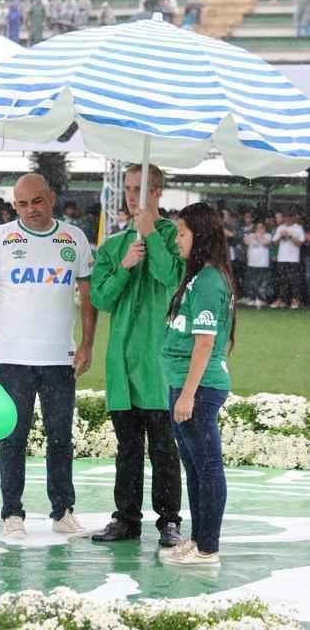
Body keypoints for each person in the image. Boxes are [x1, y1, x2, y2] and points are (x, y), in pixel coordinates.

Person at [0, 174, 97, 539]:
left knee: (60, 437)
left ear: (52, 198)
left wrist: (87, 343)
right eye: (22, 204)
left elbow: (88, 298)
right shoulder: (0, 237)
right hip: (13, 358)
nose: (30, 210)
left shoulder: (74, 238)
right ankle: (12, 514)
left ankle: (63, 512)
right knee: (12, 437)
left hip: (60, 357)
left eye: (37, 202)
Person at [90, 164, 183, 547]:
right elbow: (100, 298)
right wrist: (126, 266)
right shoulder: (114, 246)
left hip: (158, 363)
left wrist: (152, 238)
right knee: (127, 450)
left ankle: (169, 522)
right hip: (121, 365)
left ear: (157, 192)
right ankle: (126, 519)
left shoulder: (175, 238)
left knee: (164, 449)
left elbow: (171, 279)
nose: (131, 196)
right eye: (128, 188)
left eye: (139, 189)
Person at [160, 202, 235, 566]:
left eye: (182, 233)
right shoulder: (199, 276)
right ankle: (199, 538)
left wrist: (188, 394)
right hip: (186, 384)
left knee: (207, 467)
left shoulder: (207, 281)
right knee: (194, 466)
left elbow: (205, 342)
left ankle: (208, 548)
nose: (177, 240)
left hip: (199, 389)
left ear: (200, 236)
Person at [270, 209, 305, 309]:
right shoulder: (280, 227)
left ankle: (295, 300)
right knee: (282, 281)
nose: (288, 219)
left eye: (290, 217)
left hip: (293, 259)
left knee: (294, 281)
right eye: (286, 217)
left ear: (293, 218)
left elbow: (300, 243)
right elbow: (274, 243)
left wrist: (289, 236)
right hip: (282, 258)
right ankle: (281, 300)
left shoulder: (298, 228)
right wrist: (281, 235)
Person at [243, 221, 271, 308]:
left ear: (264, 228)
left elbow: (266, 243)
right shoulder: (252, 235)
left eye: (261, 228)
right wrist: (250, 237)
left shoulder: (268, 235)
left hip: (262, 263)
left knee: (262, 282)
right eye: (258, 228)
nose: (259, 229)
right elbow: (246, 242)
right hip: (252, 262)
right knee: (252, 282)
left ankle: (261, 299)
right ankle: (252, 298)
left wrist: (258, 237)